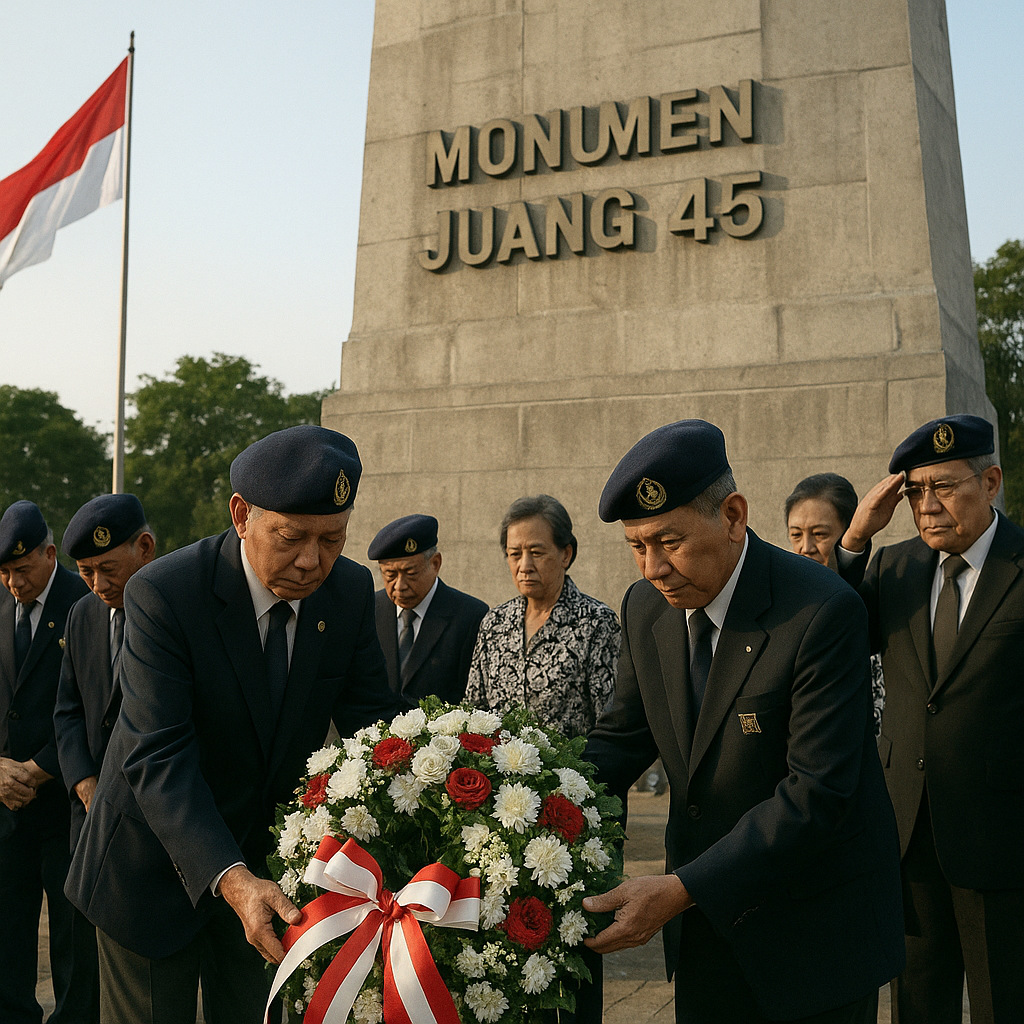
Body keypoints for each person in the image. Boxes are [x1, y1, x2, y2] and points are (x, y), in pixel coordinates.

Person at [64, 425, 403, 1024]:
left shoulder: (349, 591)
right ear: (241, 515)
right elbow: (158, 753)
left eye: (332, 539)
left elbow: (375, 731)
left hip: (269, 879)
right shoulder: (165, 594)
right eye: (292, 537)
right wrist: (230, 877)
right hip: (149, 868)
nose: (312, 561)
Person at [583, 419, 905, 1024]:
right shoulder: (646, 608)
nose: (652, 567)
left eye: (669, 542)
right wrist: (515, 792)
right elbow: (620, 740)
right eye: (636, 546)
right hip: (706, 933)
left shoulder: (820, 610)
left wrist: (680, 889)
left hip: (813, 937)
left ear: (732, 515)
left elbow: (817, 794)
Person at [833, 414, 1024, 1024]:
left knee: (1004, 1000)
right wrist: (855, 541)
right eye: (916, 490)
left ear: (990, 482)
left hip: (1001, 838)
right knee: (917, 1004)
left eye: (943, 486)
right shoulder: (893, 568)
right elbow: (828, 637)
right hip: (909, 832)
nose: (927, 504)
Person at [0, 500, 90, 1024]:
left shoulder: (85, 604)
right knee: (7, 936)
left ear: (50, 553)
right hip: (6, 809)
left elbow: (97, 707)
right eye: (4, 572)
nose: (13, 582)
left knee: (72, 944)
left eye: (22, 568)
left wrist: (39, 768)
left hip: (63, 806)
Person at [465, 493, 620, 737]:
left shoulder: (596, 622)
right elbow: (474, 711)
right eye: (515, 554)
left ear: (565, 554)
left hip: (571, 772)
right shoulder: (495, 623)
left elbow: (610, 722)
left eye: (536, 553)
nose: (524, 566)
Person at [55, 493, 156, 850]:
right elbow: (67, 710)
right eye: (86, 572)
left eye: (108, 569)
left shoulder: (175, 612)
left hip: (153, 817)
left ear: (145, 548)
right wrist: (83, 780)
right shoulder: (81, 614)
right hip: (89, 815)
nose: (98, 585)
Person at [785, 473, 885, 734]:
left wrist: (853, 542)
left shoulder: (872, 597)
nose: (806, 547)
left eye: (819, 534)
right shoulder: (779, 609)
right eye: (796, 535)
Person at [368, 513, 488, 706]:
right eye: (390, 575)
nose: (399, 586)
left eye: (410, 573)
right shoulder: (370, 610)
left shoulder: (470, 616)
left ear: (435, 563)